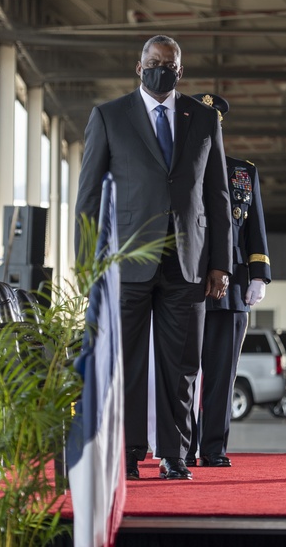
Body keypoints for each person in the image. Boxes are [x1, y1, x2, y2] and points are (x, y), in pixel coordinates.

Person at [75, 35, 233, 481]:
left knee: (182, 366)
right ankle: (127, 452)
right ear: (138, 67)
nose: (161, 69)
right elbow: (88, 198)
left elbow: (217, 196)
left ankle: (174, 454)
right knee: (124, 363)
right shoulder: (108, 117)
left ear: (180, 72)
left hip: (189, 261)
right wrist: (89, 264)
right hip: (125, 262)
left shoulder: (204, 119)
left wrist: (221, 262)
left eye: (169, 64)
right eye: (153, 62)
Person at [186, 93, 271, 467]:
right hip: (186, 282)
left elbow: (255, 229)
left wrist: (259, 275)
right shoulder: (180, 167)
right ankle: (180, 447)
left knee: (222, 374)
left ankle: (214, 447)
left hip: (233, 287)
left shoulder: (242, 171)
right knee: (184, 374)